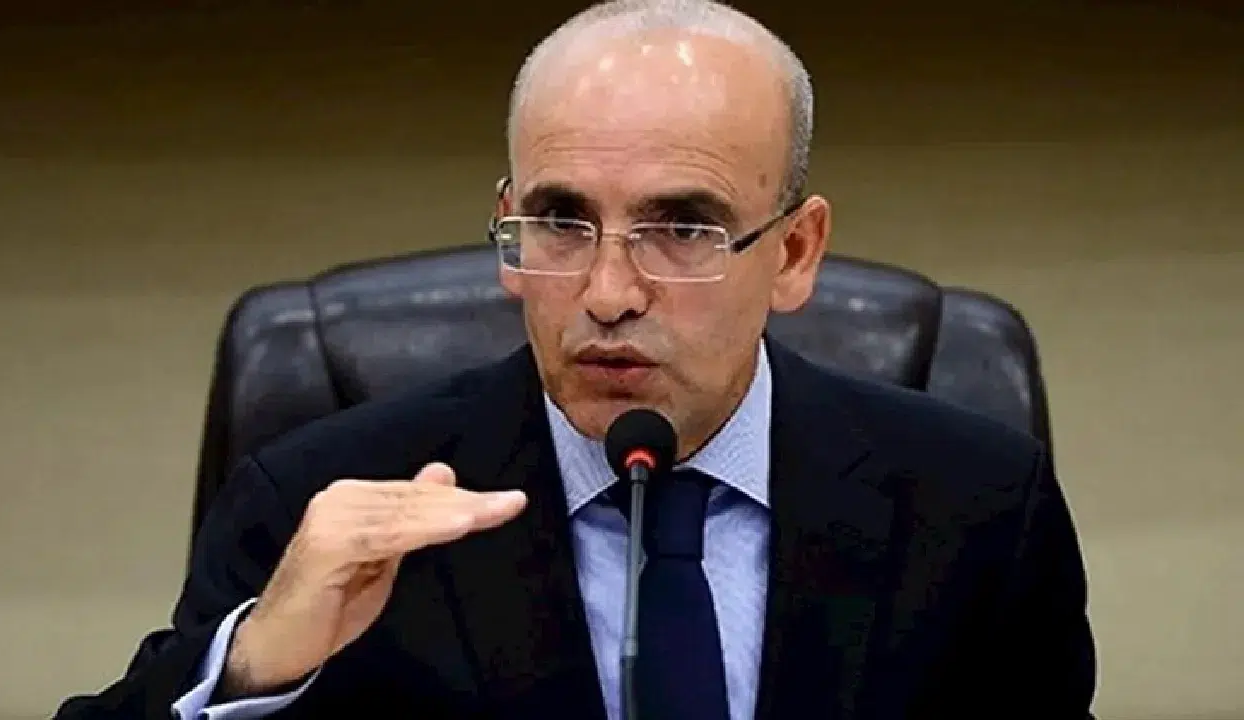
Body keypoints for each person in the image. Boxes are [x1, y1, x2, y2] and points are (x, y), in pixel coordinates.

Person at [54, 1, 1097, 718]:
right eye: (559, 223)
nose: (606, 293)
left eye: (681, 229)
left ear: (792, 253)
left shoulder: (974, 508)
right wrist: (250, 671)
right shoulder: (313, 499)